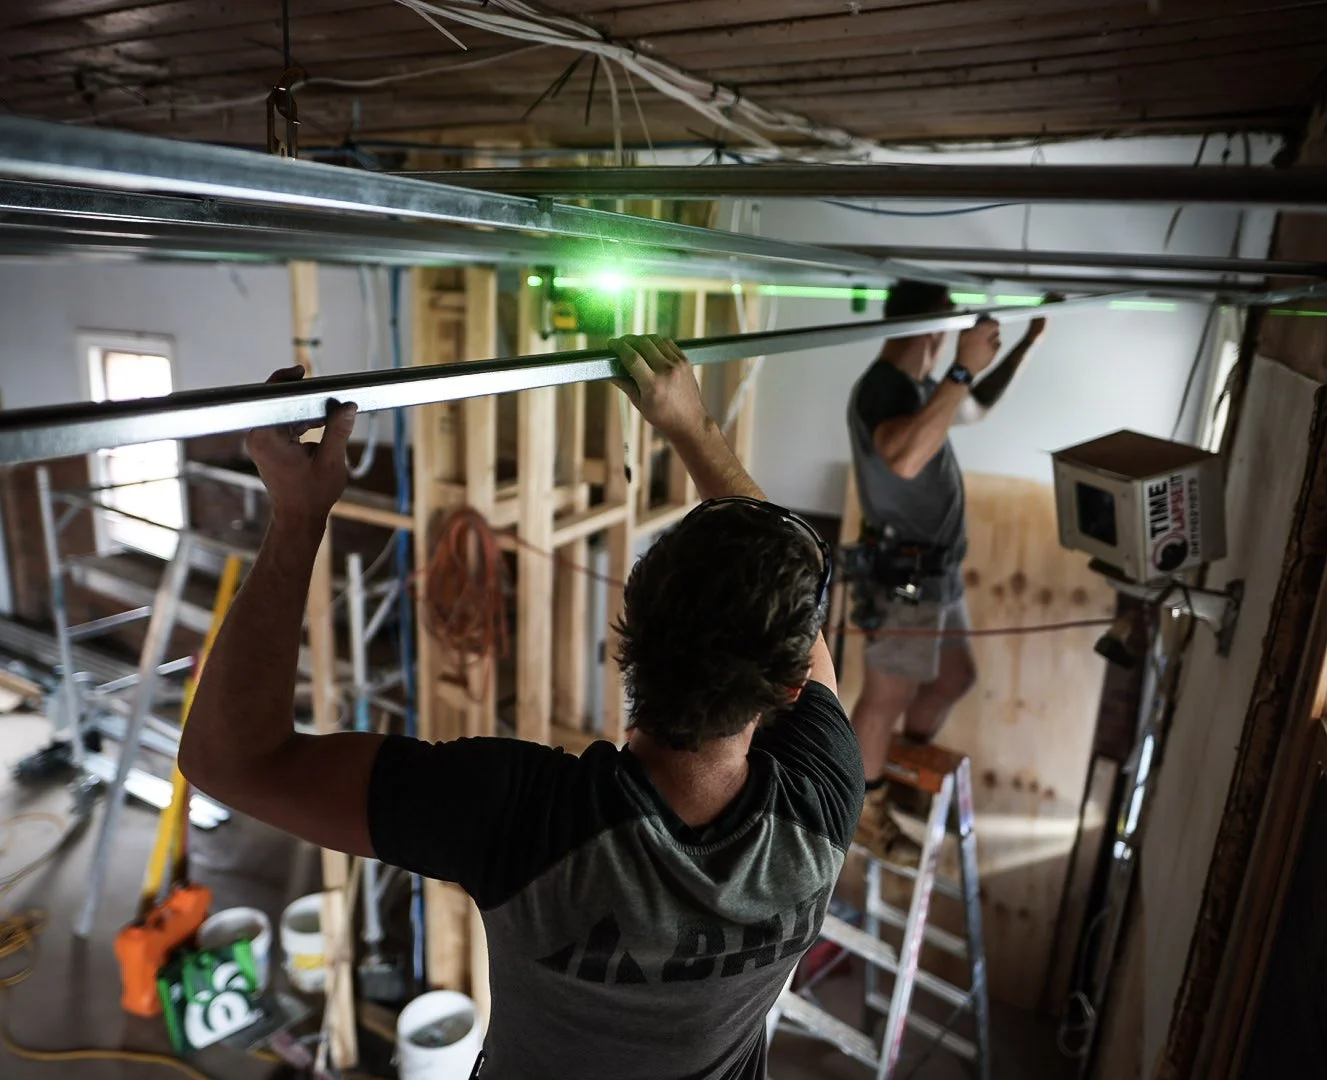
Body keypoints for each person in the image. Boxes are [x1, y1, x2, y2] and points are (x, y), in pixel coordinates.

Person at [179, 335, 864, 1080]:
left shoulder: (524, 820)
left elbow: (229, 759)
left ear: (626, 634)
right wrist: (695, 429)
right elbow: (788, 609)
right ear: (792, 686)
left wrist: (298, 517)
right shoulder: (821, 804)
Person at [845, 281, 1050, 864]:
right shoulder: (883, 386)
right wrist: (961, 371)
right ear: (934, 326)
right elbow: (904, 456)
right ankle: (865, 810)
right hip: (904, 576)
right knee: (885, 699)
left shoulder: (919, 387)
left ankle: (885, 768)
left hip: (936, 574)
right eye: (949, 319)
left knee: (951, 677)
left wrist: (1026, 344)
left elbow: (974, 406)